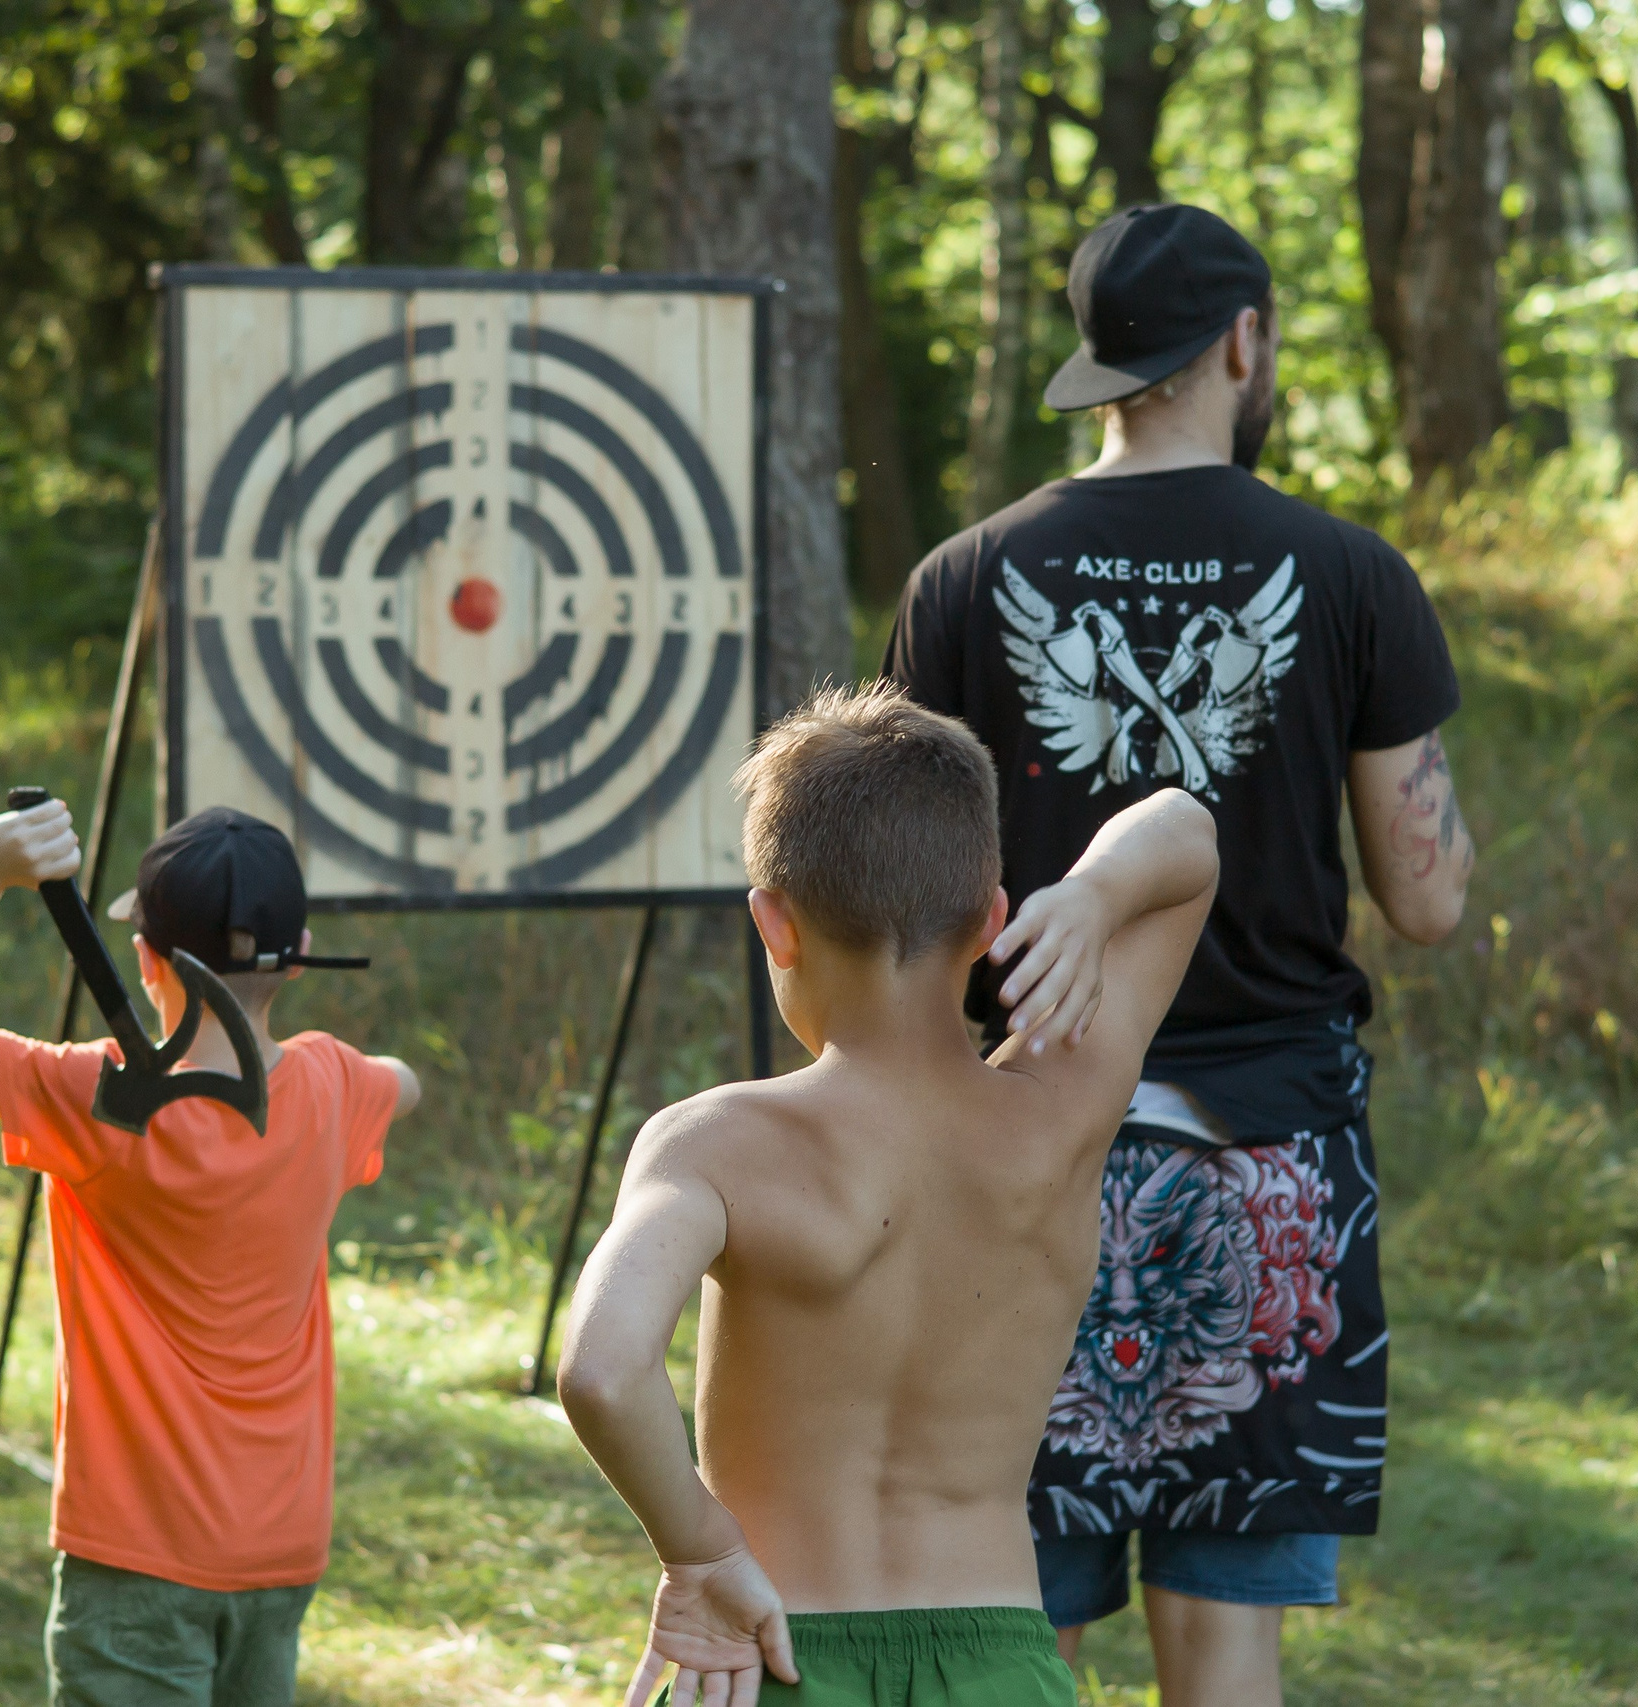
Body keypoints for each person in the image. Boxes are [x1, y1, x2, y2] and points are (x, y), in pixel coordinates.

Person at [882, 202, 1476, 1707]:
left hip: (1018, 1146)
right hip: (1268, 1161)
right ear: (1244, 341)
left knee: (1008, 1621)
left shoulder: (963, 578)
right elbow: (1428, 899)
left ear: (1100, 355)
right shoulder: (1349, 574)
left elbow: (899, 896)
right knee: (1224, 1645)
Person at [558, 682, 1220, 1707]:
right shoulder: (1057, 1109)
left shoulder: (716, 1144)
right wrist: (1089, 898)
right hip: (1001, 1666)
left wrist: (699, 1551)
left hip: (770, 1656)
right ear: (991, 917)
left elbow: (601, 1370)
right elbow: (1185, 832)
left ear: (773, 926)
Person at [0, 800, 420, 1707]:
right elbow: (405, 1079)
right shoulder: (335, 1084)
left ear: (149, 958)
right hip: (279, 1549)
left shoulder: (92, 1099)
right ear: (301, 948)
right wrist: (361, 1072)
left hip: (137, 1555)